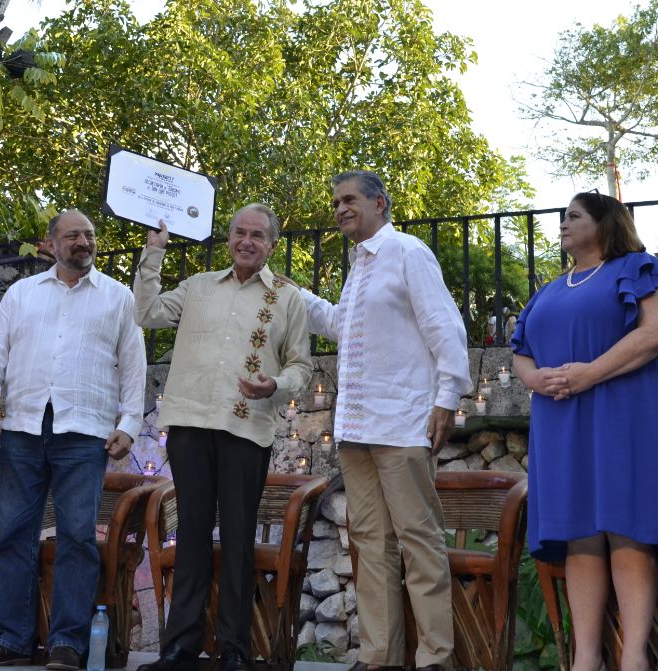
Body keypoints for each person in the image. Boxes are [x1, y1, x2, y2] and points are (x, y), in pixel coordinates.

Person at [510, 192, 658, 671]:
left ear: (605, 221)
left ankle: (635, 657)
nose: (563, 223)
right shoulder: (549, 289)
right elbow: (520, 350)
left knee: (626, 527)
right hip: (560, 418)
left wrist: (590, 373)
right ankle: (585, 660)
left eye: (574, 215)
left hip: (625, 413)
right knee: (579, 535)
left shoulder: (638, 267)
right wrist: (533, 378)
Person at [133, 205, 312, 671]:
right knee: (189, 534)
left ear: (272, 244)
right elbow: (147, 313)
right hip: (190, 422)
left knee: (237, 536)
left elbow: (300, 365)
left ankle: (235, 648)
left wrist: (274, 386)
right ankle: (180, 648)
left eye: (257, 235)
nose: (246, 241)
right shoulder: (197, 287)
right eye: (239, 233)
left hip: (246, 427)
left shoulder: (287, 298)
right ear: (229, 238)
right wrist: (154, 253)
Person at [0, 210, 145, 671]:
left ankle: (68, 642)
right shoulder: (21, 294)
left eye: (88, 234)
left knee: (78, 537)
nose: (83, 241)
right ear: (51, 245)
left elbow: (132, 361)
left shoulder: (117, 297)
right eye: (72, 235)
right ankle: (10, 638)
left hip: (85, 432)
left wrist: (128, 421)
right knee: (14, 535)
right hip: (23, 428)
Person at [302, 170, 466, 671]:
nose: (340, 209)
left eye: (349, 199)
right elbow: (338, 325)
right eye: (335, 203)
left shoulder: (408, 253)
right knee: (370, 543)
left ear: (380, 203)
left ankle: (435, 658)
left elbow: (444, 325)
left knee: (418, 541)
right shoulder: (358, 268)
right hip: (357, 426)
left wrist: (447, 397)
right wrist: (294, 294)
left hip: (402, 423)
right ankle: (380, 658)